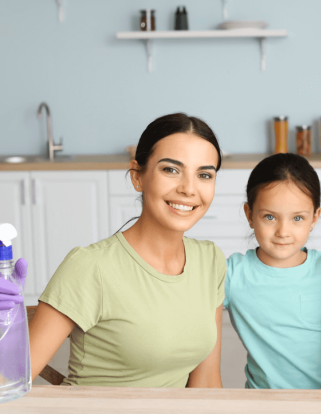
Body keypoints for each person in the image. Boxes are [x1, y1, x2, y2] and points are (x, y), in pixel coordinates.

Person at [26, 113, 226, 387]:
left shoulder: (210, 261)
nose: (189, 189)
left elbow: (206, 382)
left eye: (204, 175)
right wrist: (6, 327)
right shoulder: (90, 266)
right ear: (137, 176)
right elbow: (9, 381)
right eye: (171, 169)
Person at [223, 153, 321, 389]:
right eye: (270, 217)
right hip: (262, 402)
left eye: (297, 218)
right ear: (249, 215)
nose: (283, 231)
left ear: (314, 217)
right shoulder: (232, 274)